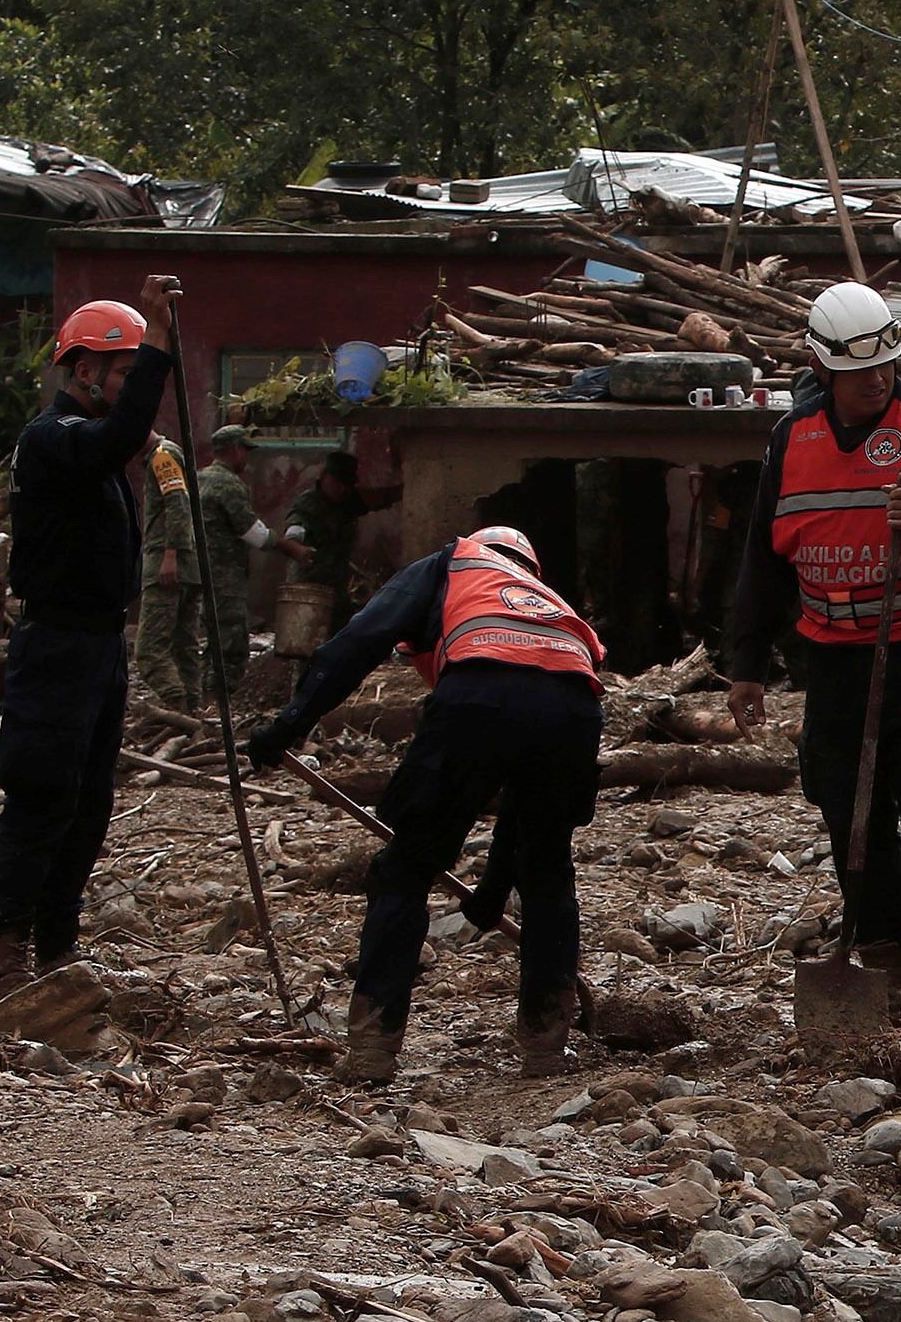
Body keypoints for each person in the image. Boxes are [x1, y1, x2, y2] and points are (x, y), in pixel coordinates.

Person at [248, 524, 606, 1082]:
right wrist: (494, 888)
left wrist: (288, 725)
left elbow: (360, 640)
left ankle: (372, 1051)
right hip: (575, 711)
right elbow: (525, 788)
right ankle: (545, 1048)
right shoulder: (549, 604)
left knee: (406, 869)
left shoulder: (452, 563)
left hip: (476, 696)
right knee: (547, 870)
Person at [727, 282, 901, 959]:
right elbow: (763, 559)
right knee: (846, 795)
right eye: (858, 372)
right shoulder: (791, 438)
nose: (876, 381)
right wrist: (747, 665)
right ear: (820, 367)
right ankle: (878, 932)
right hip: (830, 651)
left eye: (885, 365)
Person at [0, 280, 179, 1000]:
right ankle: (6, 955)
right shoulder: (52, 439)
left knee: (88, 805)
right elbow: (114, 438)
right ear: (85, 370)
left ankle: (57, 946)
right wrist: (158, 337)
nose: (129, 389)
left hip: (99, 646)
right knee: (42, 794)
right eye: (123, 373)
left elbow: (118, 440)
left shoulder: (94, 453)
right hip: (56, 644)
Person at [282, 451, 395, 632]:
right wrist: (298, 549)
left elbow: (375, 498)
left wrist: (410, 487)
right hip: (309, 592)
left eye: (348, 485)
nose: (343, 489)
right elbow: (293, 532)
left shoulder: (346, 502)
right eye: (338, 483)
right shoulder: (308, 504)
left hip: (336, 592)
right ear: (324, 477)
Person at [194, 423, 267, 696]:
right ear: (236, 450)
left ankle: (203, 695)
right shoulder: (229, 483)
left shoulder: (198, 478)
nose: (246, 458)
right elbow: (252, 532)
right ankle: (218, 698)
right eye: (245, 450)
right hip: (224, 576)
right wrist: (288, 547)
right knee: (232, 643)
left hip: (198, 573)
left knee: (212, 640)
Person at [133, 438, 201, 713]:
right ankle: (193, 712)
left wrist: (170, 553)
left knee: (149, 650)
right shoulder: (165, 454)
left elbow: (177, 503)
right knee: (184, 647)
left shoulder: (162, 455)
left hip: (168, 566)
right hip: (188, 566)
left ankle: (178, 706)